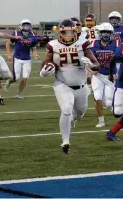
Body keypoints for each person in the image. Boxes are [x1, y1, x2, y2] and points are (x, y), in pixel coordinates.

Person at [39, 19, 99, 154]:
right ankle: (65, 141)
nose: (68, 35)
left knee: (79, 113)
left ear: (76, 31)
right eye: (65, 32)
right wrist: (44, 71)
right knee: (66, 108)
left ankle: (72, 120)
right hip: (62, 84)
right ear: (59, 32)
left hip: (82, 86)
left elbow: (97, 64)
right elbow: (45, 63)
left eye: (71, 31)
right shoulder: (53, 45)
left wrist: (90, 63)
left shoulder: (83, 43)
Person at [90, 22, 119, 127]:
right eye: (103, 32)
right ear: (99, 33)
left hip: (111, 76)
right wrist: (90, 71)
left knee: (108, 103)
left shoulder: (116, 44)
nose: (105, 34)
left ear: (111, 33)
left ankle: (113, 105)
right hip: (98, 75)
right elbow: (87, 60)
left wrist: (117, 72)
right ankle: (101, 120)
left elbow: (121, 60)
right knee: (97, 97)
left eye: (108, 32)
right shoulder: (93, 44)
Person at [4, 19, 39, 99]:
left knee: (25, 78)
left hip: (27, 59)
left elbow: (33, 48)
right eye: (24, 25)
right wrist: (9, 55)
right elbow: (8, 44)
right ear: (21, 25)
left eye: (28, 25)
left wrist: (35, 54)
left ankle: (18, 94)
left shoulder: (33, 34)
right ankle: (9, 81)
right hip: (17, 58)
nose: (26, 26)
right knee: (16, 78)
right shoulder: (16, 33)